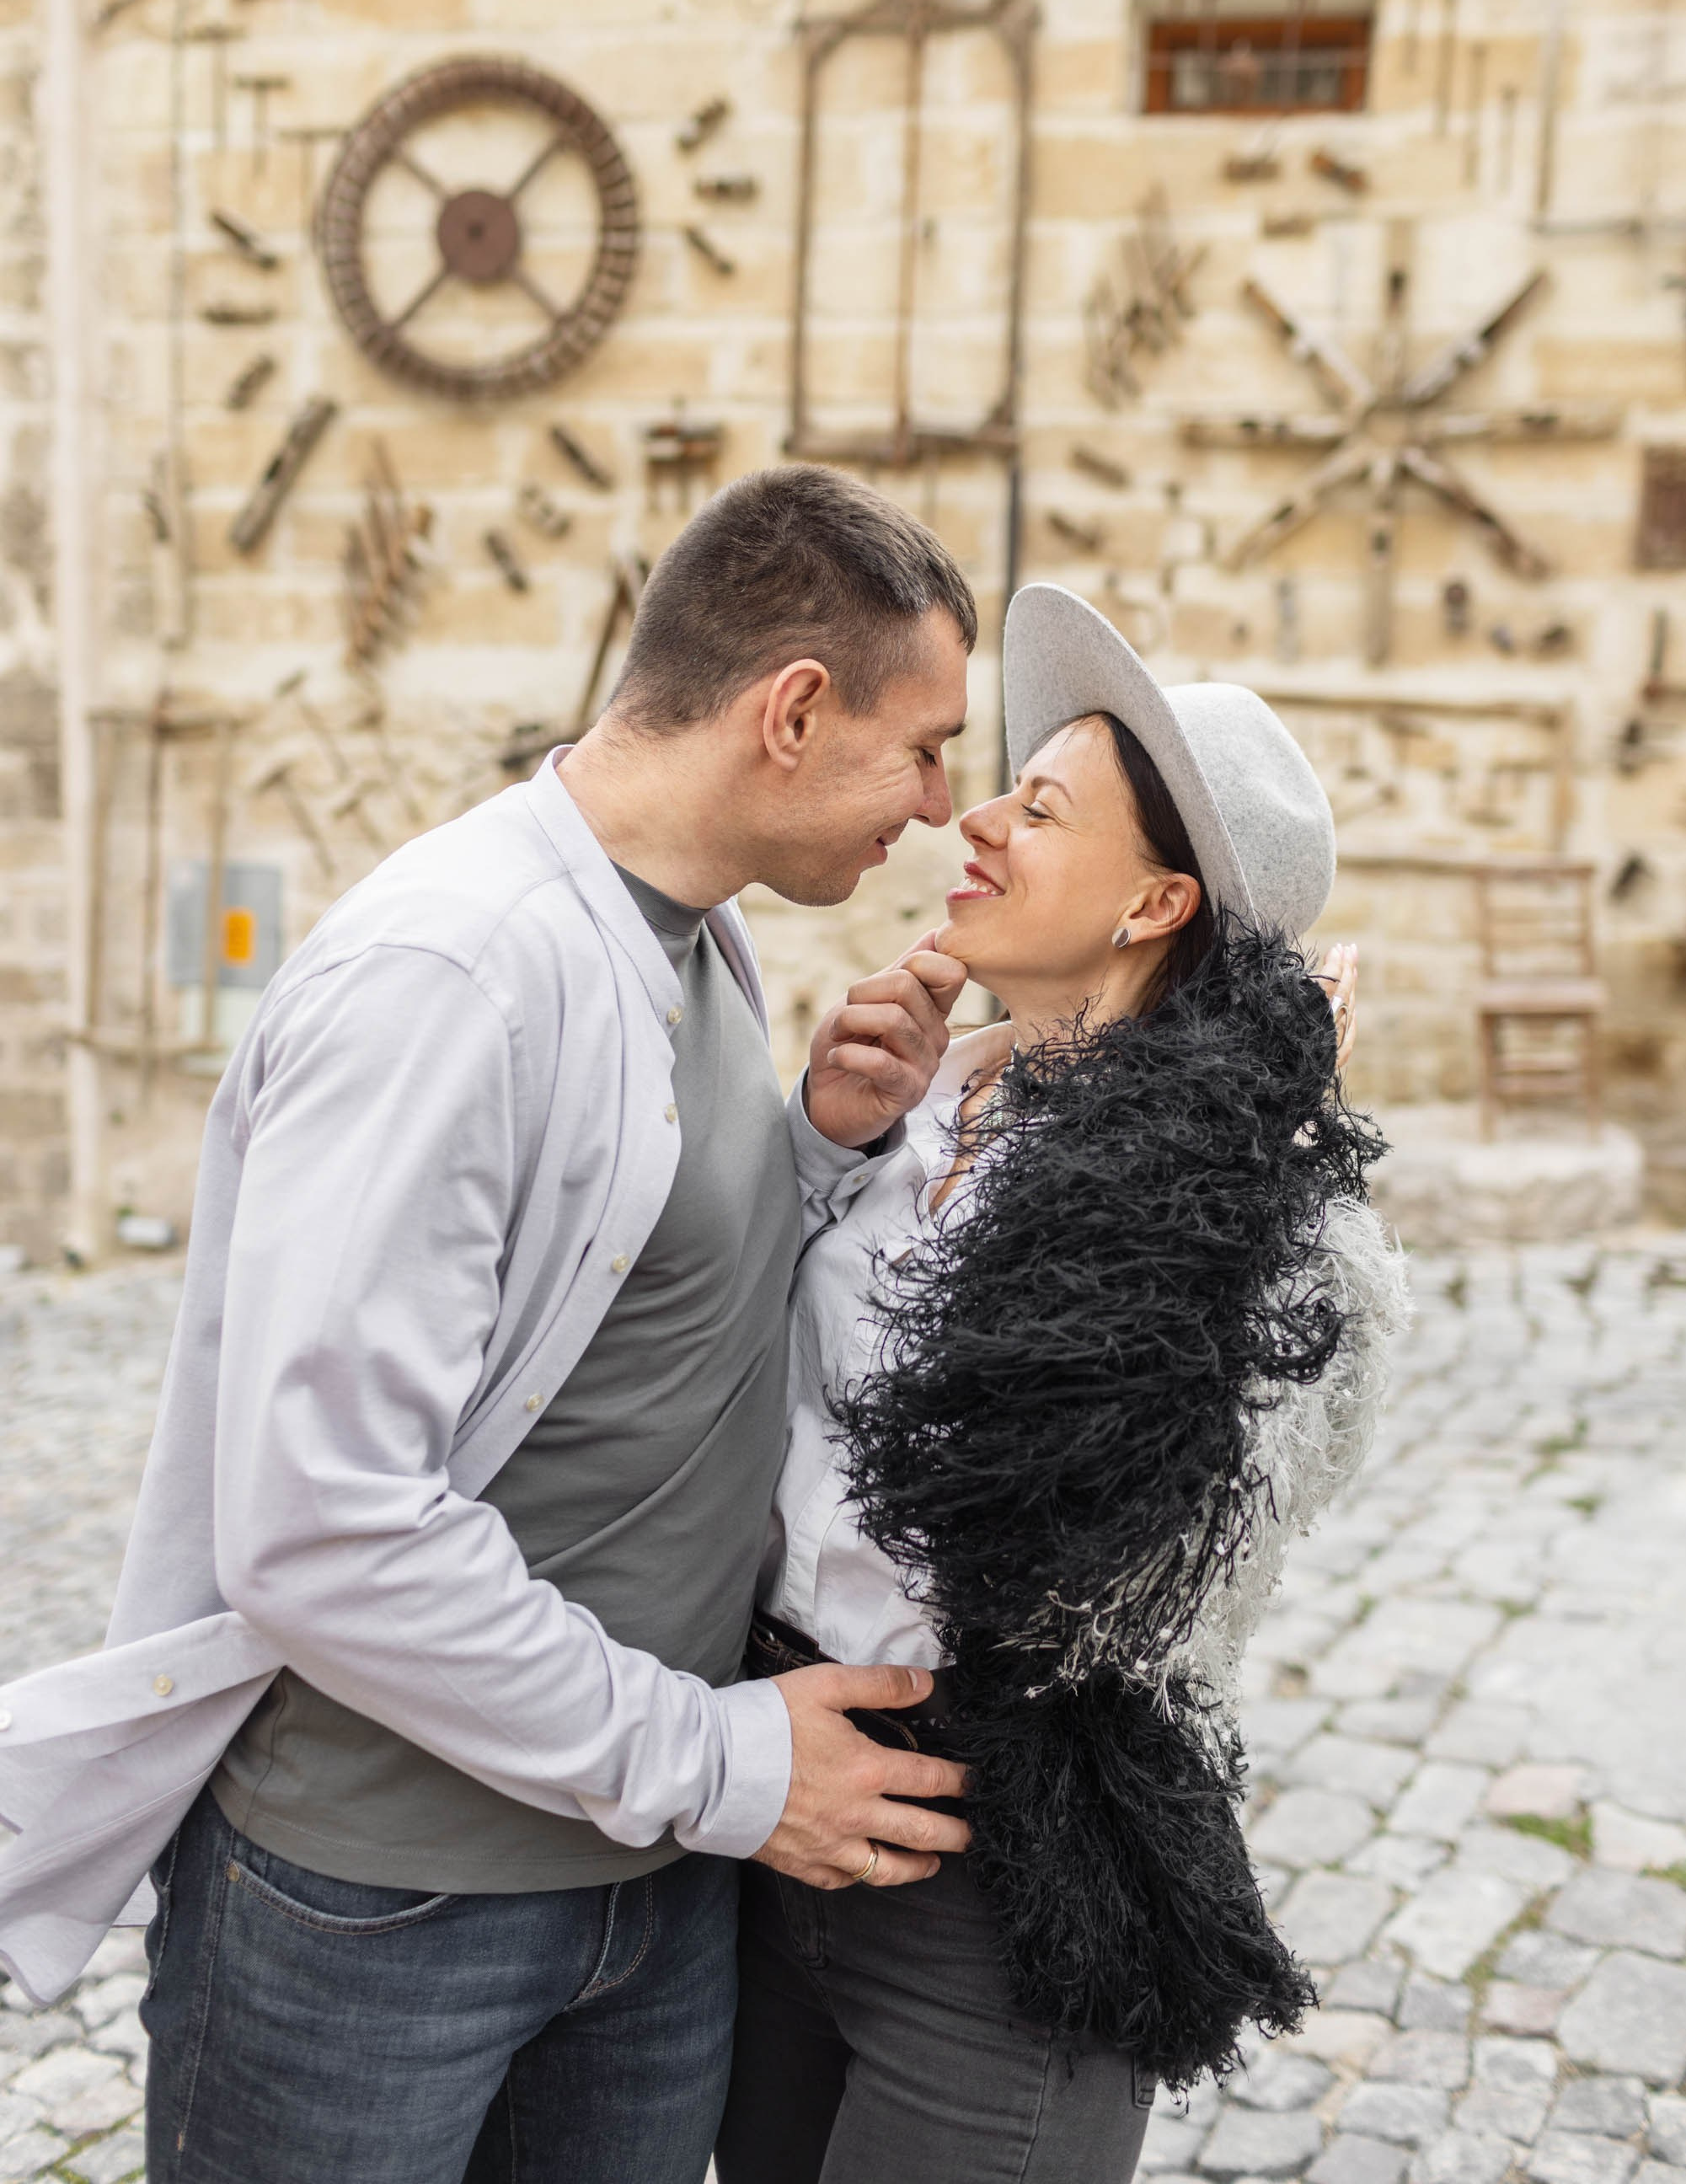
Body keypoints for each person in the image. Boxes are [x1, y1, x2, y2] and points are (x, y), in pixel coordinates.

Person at [0, 465, 984, 2184]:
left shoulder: (692, 938)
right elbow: (321, 1524)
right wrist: (725, 1768)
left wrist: (816, 1150)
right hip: (380, 1913)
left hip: (642, 1897)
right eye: (922, 746)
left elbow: (637, 1323)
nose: (937, 803)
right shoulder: (452, 971)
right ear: (792, 710)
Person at [716, 581, 1410, 2184]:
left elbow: (1119, 1564)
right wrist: (823, 1143)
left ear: (1153, 905)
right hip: (771, 1801)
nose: (974, 818)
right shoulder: (920, 1099)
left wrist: (1223, 1145)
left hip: (1004, 1874)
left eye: (1036, 807)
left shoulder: (1277, 1229)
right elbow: (755, 1392)